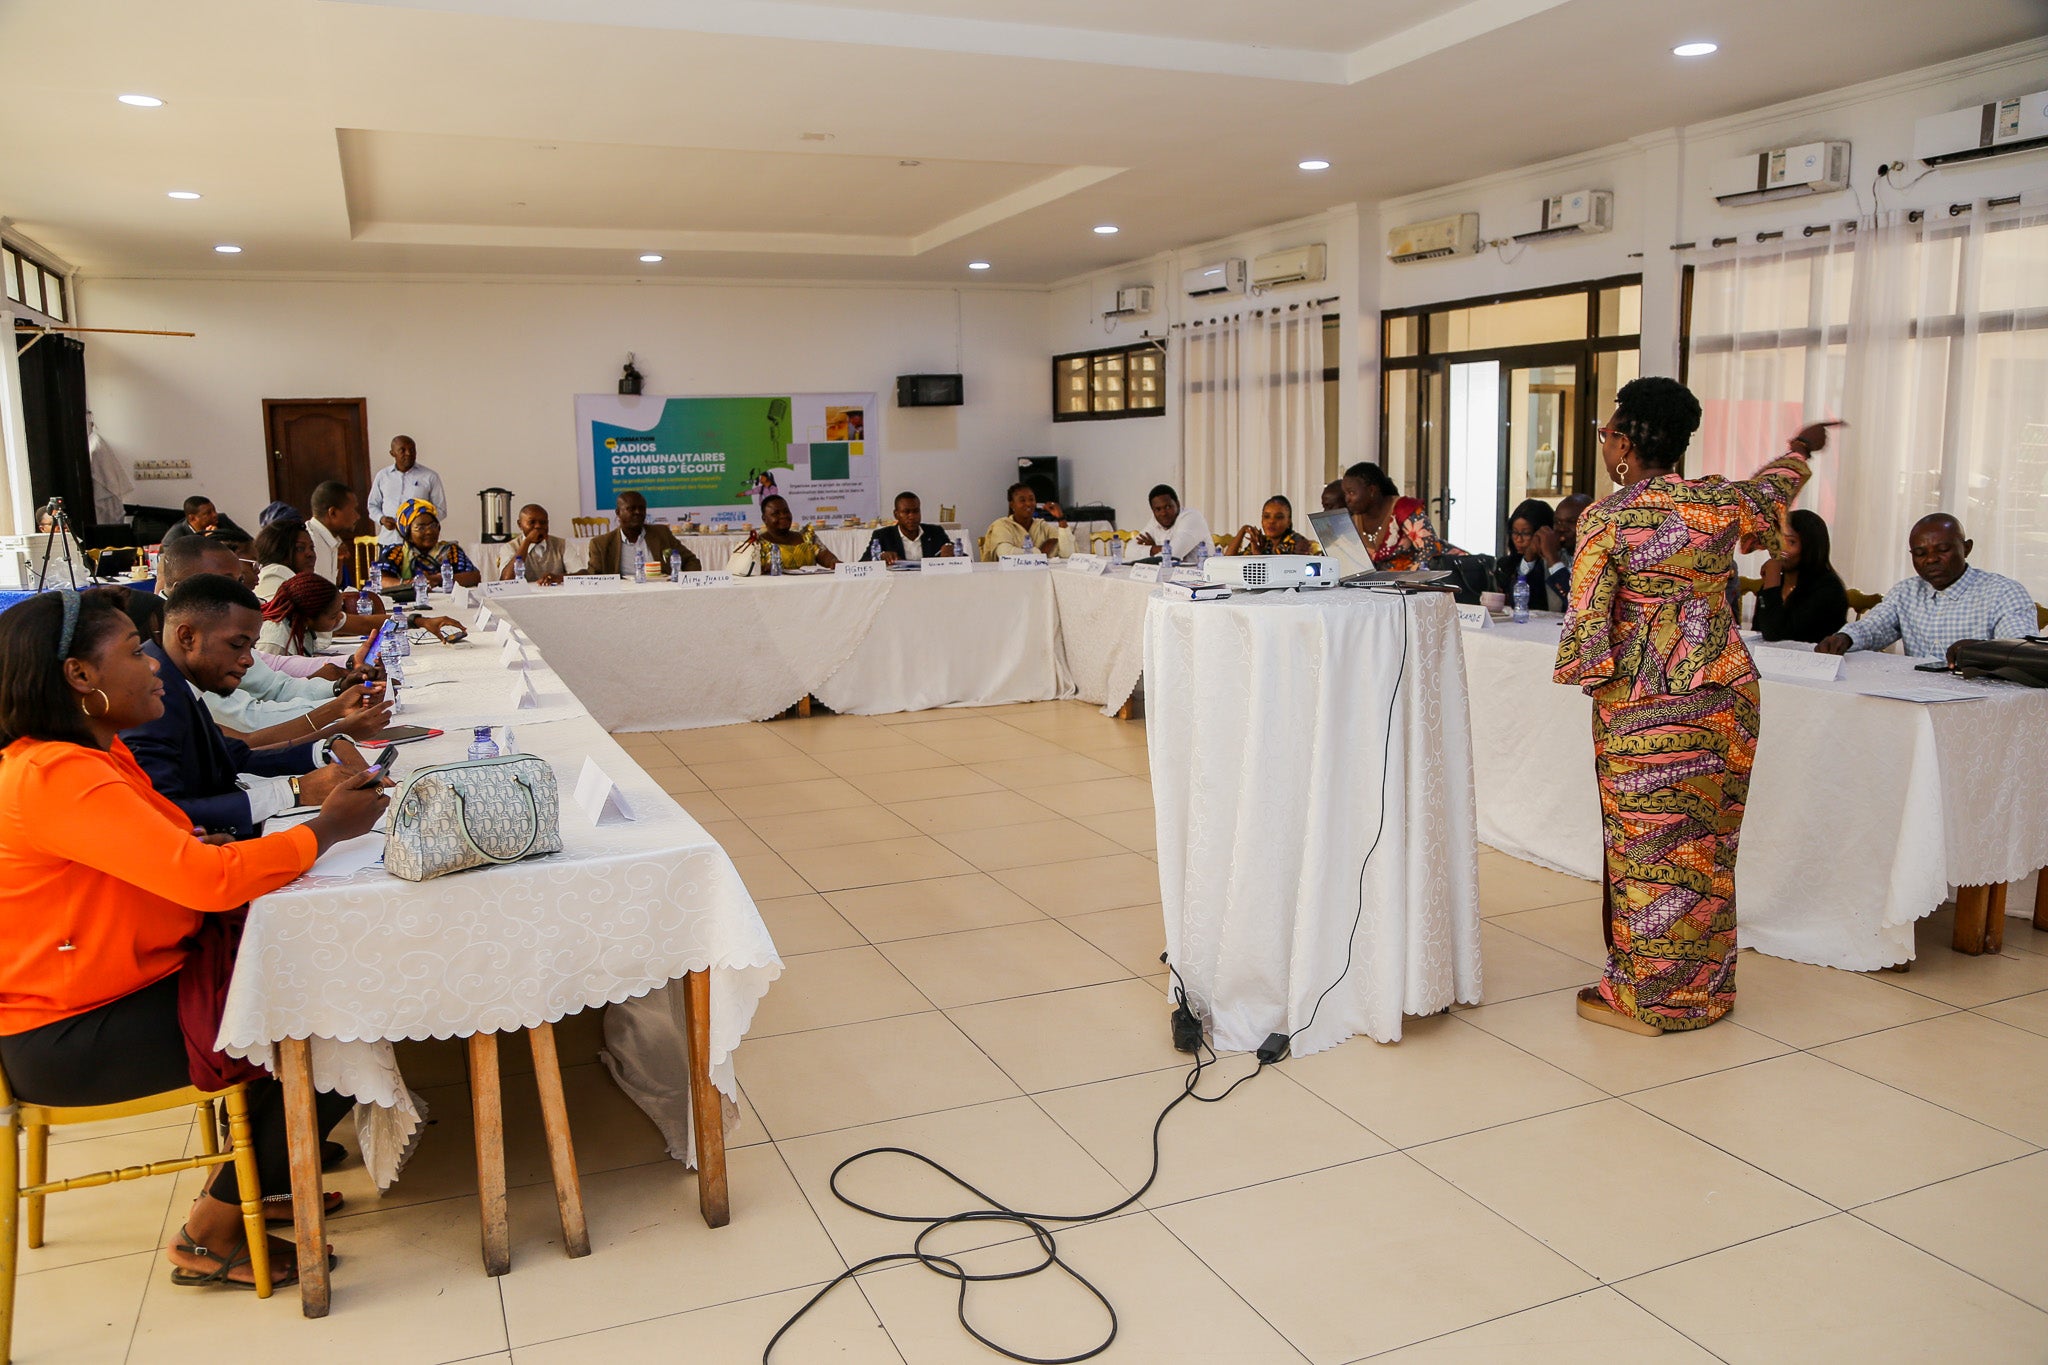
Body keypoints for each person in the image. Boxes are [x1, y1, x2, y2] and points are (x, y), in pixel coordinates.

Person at [0, 586, 384, 1290]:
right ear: (80, 677)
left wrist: (193, 843)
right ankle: (213, 1225)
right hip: (73, 1032)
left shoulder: (92, 755)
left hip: (119, 986)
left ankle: (263, 1174)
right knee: (340, 1015)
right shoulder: (57, 774)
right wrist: (325, 827)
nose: (153, 667)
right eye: (133, 651)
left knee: (317, 980)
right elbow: (205, 879)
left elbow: (172, 846)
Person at [1555, 375, 1834, 1036]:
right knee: (1707, 846)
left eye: (1607, 435)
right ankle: (1707, 989)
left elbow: (1587, 631)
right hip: (1726, 695)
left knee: (1649, 849)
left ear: (1623, 444)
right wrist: (1800, 448)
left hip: (1646, 703)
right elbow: (1773, 488)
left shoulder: (1607, 517)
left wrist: (1595, 680)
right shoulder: (1718, 501)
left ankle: (1649, 1000)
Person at [123, 576, 380, 840]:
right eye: (236, 644)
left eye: (251, 646)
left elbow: (233, 756)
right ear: (187, 637)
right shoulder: (152, 693)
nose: (247, 660)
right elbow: (165, 811)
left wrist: (322, 750)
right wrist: (294, 791)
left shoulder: (178, 677)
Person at [154, 541, 389, 741]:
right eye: (225, 582)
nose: (243, 587)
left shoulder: (221, 628)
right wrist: (335, 710)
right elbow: (248, 722)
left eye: (239, 580)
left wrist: (338, 689)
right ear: (183, 589)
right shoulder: (166, 644)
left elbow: (273, 685)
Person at [1815, 513, 2035, 660]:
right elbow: (1874, 627)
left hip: (1981, 703)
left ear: (1966, 548)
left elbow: (2020, 650)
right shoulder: (1905, 592)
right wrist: (1845, 638)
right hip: (1918, 697)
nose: (1931, 560)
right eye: (1920, 554)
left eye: (1942, 550)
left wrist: (1979, 650)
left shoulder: (2004, 593)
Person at [1752, 509, 1850, 644]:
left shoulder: (1828, 588)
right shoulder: (1777, 584)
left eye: (1790, 542)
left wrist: (1772, 579)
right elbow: (1758, 632)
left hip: (1814, 661)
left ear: (1811, 547)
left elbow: (1776, 635)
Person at [259, 574, 379, 672]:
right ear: (308, 618)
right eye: (333, 616)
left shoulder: (298, 623)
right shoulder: (274, 642)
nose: (339, 618)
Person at [1343, 463, 1449, 571]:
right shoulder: (1354, 520)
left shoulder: (1403, 509)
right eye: (1345, 493)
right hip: (1387, 584)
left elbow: (1430, 549)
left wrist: (1406, 581)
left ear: (1371, 490)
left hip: (1439, 574)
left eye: (1351, 493)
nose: (1347, 499)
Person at [584, 491, 697, 577]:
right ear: (618, 513)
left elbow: (691, 561)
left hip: (662, 595)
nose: (638, 512)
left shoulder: (661, 533)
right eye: (631, 509)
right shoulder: (601, 544)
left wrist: (684, 582)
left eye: (641, 508)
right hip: (622, 600)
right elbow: (594, 575)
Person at [364, 436, 448, 546]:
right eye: (402, 450)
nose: (408, 453)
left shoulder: (429, 476)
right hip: (389, 541)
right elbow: (372, 505)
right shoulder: (383, 476)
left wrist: (420, 523)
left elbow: (441, 510)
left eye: (412, 450)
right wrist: (382, 519)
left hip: (420, 545)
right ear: (392, 453)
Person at [376, 500, 480, 589]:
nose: (429, 531)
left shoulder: (450, 550)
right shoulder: (396, 552)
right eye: (421, 528)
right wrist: (410, 584)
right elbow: (381, 581)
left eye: (433, 525)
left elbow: (474, 577)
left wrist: (437, 579)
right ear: (408, 533)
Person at [731, 494, 840, 573]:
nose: (783, 516)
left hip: (810, 593)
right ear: (765, 519)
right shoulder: (757, 544)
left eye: (786, 511)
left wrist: (834, 562)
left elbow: (827, 557)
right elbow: (747, 571)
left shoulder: (808, 538)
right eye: (776, 513)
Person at [1496, 499, 1567, 613]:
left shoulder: (1563, 558)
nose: (1519, 539)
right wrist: (1528, 558)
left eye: (1526, 533)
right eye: (1515, 532)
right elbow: (1517, 603)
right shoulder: (1507, 565)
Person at [980, 483, 1073, 560]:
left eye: (1031, 499)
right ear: (1012, 504)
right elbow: (1006, 554)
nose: (1028, 503)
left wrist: (1061, 518)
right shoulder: (1002, 525)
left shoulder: (1042, 525)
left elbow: (1068, 554)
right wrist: (1041, 553)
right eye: (1022, 500)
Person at [869, 492, 953, 563]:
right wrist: (880, 556)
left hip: (931, 581)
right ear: (896, 514)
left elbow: (958, 554)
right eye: (906, 512)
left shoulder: (935, 532)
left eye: (916, 511)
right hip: (898, 581)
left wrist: (951, 548)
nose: (912, 516)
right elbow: (863, 562)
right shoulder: (882, 536)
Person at [1132, 485, 1212, 559]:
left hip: (1199, 572)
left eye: (1168, 507)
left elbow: (1173, 554)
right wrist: (1155, 548)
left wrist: (1153, 548)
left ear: (1177, 504)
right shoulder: (1154, 521)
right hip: (1171, 571)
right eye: (1158, 509)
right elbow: (1130, 550)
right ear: (1153, 510)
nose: (1163, 513)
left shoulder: (1192, 517)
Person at [499, 504, 569, 584]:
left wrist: (558, 578)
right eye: (532, 522)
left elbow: (583, 575)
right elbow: (506, 581)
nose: (538, 526)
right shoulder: (510, 547)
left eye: (543, 522)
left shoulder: (562, 544)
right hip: (523, 595)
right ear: (520, 524)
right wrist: (527, 542)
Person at [253, 518, 317, 603]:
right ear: (279, 551)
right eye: (300, 548)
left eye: (312, 548)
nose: (310, 554)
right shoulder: (274, 573)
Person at [1226, 496, 1314, 555]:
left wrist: (1258, 556)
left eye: (1279, 517)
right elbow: (1227, 562)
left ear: (1288, 521)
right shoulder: (1262, 541)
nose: (1271, 521)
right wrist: (1243, 529)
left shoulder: (1297, 542)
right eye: (1266, 516)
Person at [1555, 492, 1593, 558]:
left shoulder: (1599, 557)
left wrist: (1552, 558)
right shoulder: (1555, 551)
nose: (1562, 529)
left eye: (1571, 521)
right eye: (1558, 522)